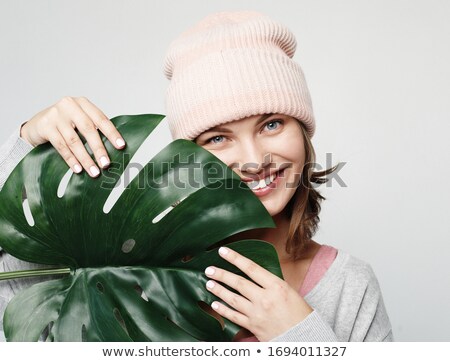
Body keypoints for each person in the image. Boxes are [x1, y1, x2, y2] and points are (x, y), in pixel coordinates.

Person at [0, 11, 393, 342]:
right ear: (186, 157)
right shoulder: (121, 268)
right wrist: (24, 143)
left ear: (304, 131)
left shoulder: (349, 286)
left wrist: (301, 335)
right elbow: (15, 295)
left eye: (272, 124)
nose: (255, 159)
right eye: (218, 137)